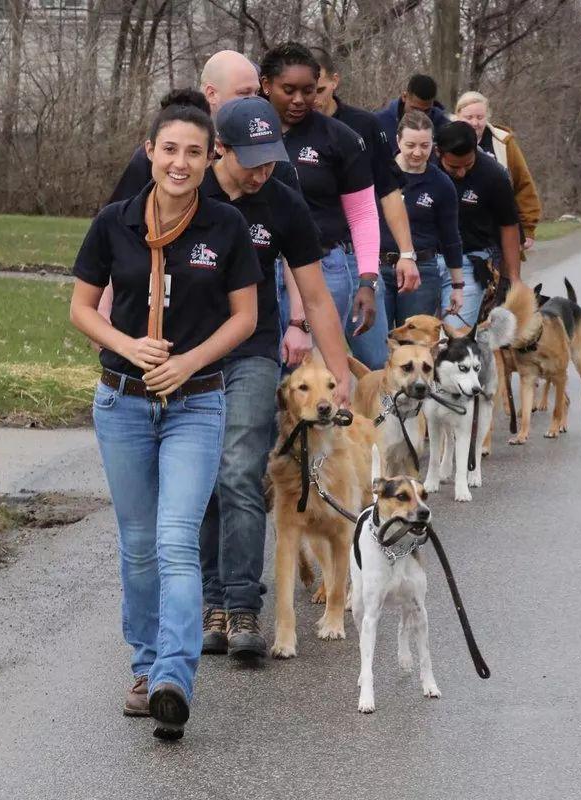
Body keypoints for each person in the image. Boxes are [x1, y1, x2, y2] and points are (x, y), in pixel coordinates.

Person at [69, 90, 262, 740]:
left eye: (195, 153)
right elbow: (83, 309)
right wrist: (128, 345)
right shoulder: (114, 222)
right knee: (139, 547)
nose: (181, 163)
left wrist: (186, 363)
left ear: (212, 160)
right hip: (122, 402)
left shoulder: (226, 227)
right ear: (150, 151)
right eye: (170, 149)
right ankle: (146, 664)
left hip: (196, 402)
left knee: (177, 540)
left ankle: (173, 677)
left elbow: (246, 318)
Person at [199, 96, 352, 659]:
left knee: (241, 469)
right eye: (251, 159)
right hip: (190, 352)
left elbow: (314, 295)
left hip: (252, 349)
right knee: (204, 477)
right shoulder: (192, 191)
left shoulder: (283, 203)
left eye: (271, 158)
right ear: (221, 148)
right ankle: (211, 601)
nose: (263, 170)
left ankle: (242, 607)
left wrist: (338, 374)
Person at [260, 42, 380, 338]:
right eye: (288, 90)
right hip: (256, 266)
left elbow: (363, 214)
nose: (300, 99)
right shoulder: (247, 132)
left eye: (309, 90)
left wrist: (367, 280)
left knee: (312, 378)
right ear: (266, 85)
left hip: (322, 267)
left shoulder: (341, 139)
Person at [310, 46, 419, 368]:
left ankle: (385, 414)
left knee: (375, 360)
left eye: (319, 89)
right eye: (304, 90)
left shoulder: (363, 125)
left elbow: (388, 193)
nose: (311, 98)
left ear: (335, 81)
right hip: (306, 260)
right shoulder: (287, 127)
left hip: (357, 256)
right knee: (310, 367)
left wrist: (407, 254)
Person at [108, 50, 299, 203]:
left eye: (256, 92)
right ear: (211, 93)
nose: (253, 100)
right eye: (244, 92)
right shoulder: (159, 153)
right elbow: (119, 224)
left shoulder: (271, 157)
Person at [379, 111, 464, 326]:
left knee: (414, 343)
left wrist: (457, 286)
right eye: (410, 145)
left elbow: (451, 237)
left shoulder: (442, 184)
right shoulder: (379, 174)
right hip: (379, 267)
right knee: (378, 347)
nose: (417, 153)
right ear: (398, 140)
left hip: (422, 271)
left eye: (424, 146)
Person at [435, 121, 521, 327]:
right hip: (426, 260)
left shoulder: (494, 175)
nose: (462, 172)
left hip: (471, 259)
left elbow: (509, 226)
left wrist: (514, 278)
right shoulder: (424, 169)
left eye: (468, 164)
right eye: (454, 167)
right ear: (439, 153)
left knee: (454, 333)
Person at [455, 90, 542, 250]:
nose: (475, 123)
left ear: (487, 117)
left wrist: (528, 227)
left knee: (505, 274)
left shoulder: (503, 142)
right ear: (458, 116)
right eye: (469, 118)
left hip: (498, 228)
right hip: (458, 229)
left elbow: (523, 183)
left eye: (480, 117)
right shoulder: (444, 141)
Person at [376, 74, 451, 156]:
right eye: (415, 109)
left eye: (426, 111)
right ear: (404, 97)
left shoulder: (445, 128)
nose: (420, 115)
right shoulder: (378, 123)